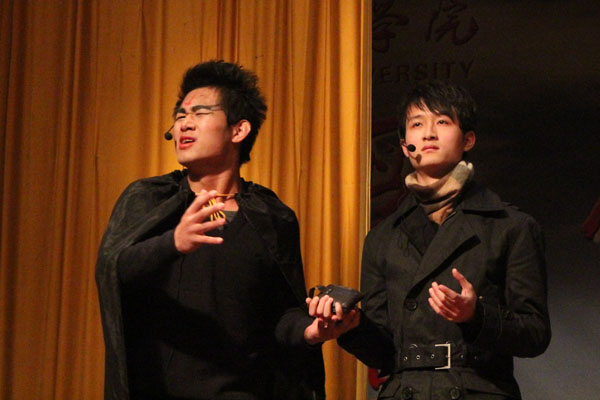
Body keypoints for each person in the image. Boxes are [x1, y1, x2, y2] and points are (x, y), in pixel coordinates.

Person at [96, 60, 326, 400]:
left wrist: (310, 330)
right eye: (180, 116)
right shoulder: (149, 200)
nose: (184, 124)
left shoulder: (273, 217)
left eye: (200, 113)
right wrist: (173, 242)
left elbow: (280, 313)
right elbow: (114, 272)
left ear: (238, 130)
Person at [308, 81, 551, 399]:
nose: (429, 134)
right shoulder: (382, 237)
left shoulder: (511, 226)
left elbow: (535, 334)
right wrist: (352, 327)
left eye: (443, 122)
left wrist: (476, 316)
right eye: (417, 124)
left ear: (468, 140)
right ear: (403, 145)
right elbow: (384, 354)